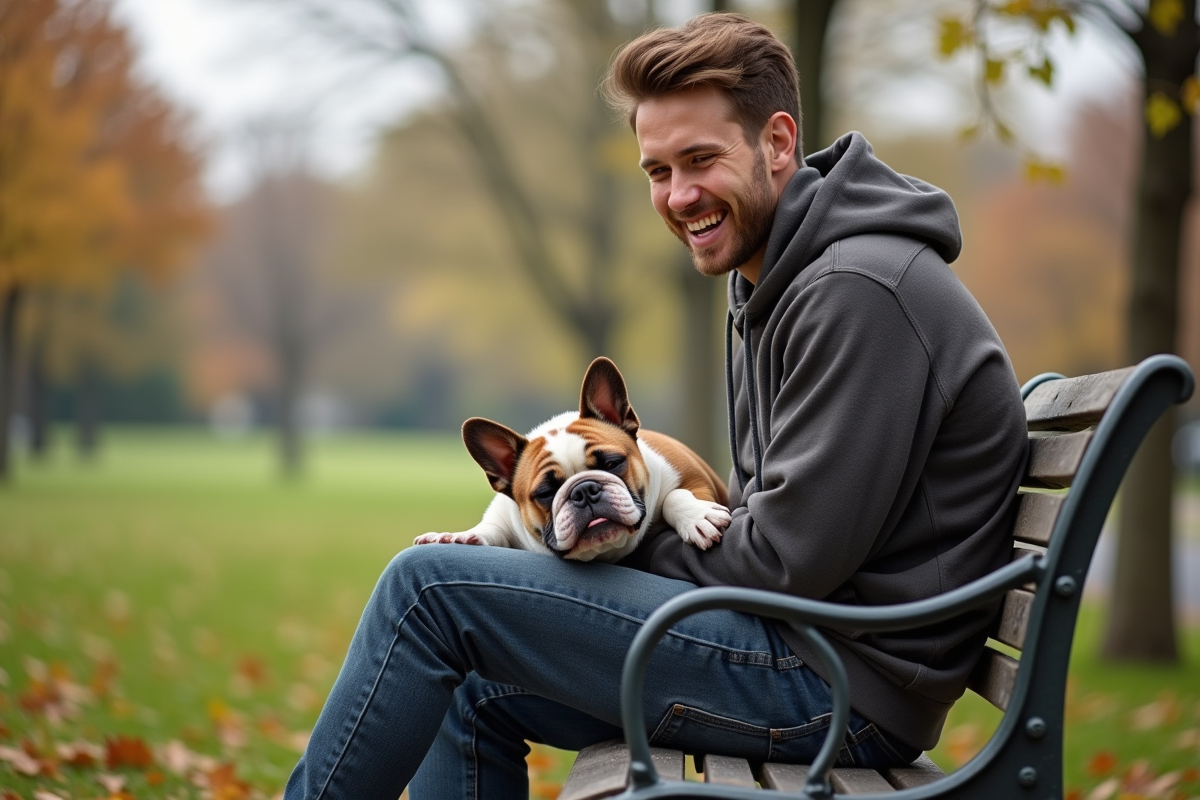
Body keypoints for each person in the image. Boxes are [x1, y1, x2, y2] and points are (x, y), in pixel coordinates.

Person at [283, 13, 1028, 800]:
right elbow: (770, 530)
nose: (679, 196)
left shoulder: (857, 292)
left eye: (701, 159)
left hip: (841, 687)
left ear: (778, 143)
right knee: (462, 674)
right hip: (807, 648)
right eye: (657, 171)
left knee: (427, 590)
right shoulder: (775, 279)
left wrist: (602, 534)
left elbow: (784, 561)